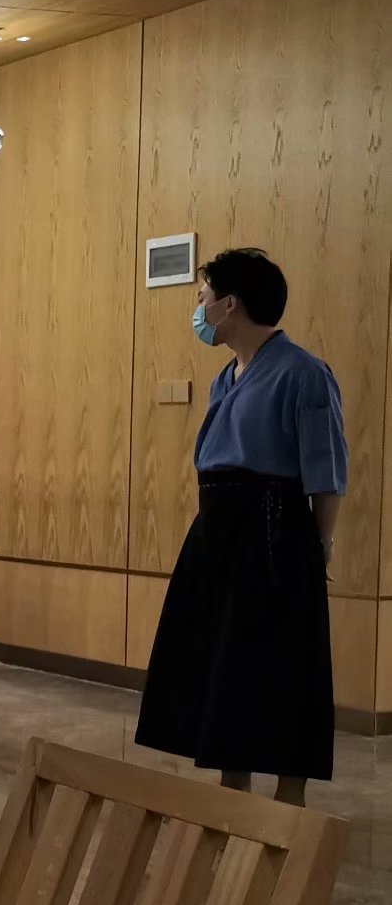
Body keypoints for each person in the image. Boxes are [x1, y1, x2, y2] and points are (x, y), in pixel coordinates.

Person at [136, 248, 346, 803]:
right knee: (224, 660)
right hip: (218, 532)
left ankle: (290, 798)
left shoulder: (304, 373)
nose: (198, 309)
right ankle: (233, 788)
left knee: (284, 660)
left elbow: (324, 471)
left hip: (274, 532)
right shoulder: (225, 378)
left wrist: (319, 544)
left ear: (230, 304)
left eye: (202, 297)